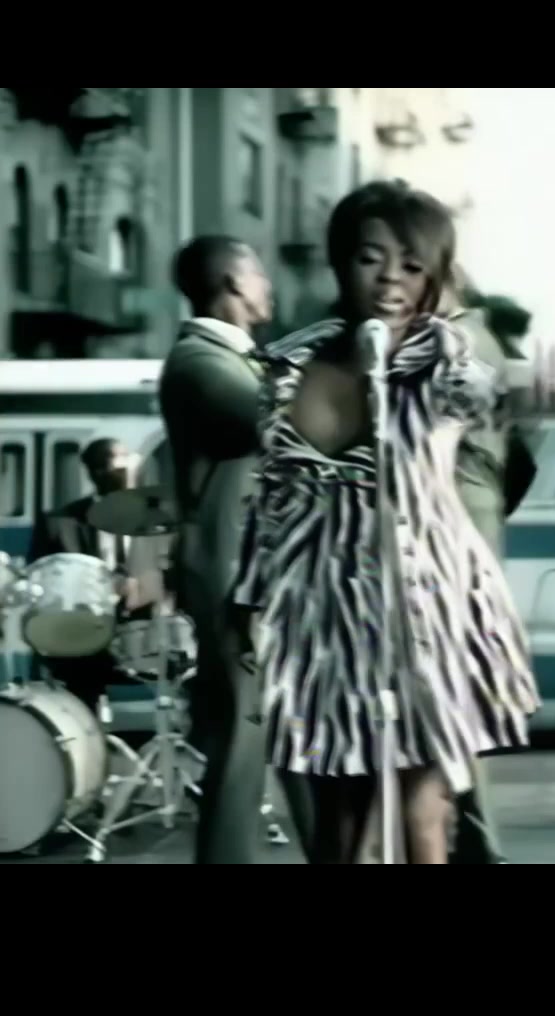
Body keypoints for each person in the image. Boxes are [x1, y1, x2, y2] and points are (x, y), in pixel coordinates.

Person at [231, 181, 540, 864]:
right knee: (337, 823)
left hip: (424, 606)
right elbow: (270, 496)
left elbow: (467, 422)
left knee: (423, 813)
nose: (391, 279)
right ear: (342, 262)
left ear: (434, 276)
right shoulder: (288, 364)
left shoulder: (449, 360)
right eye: (371, 258)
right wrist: (247, 595)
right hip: (319, 609)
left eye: (412, 264)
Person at [157, 235, 311, 864]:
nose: (268, 286)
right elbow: (270, 419)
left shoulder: (238, 358)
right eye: (259, 275)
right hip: (230, 575)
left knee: (293, 729)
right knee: (243, 736)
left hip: (260, 569)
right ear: (234, 283)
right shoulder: (198, 360)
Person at [443, 268, 540, 864]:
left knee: (446, 685)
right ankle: (470, 834)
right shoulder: (491, 344)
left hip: (451, 523)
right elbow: (526, 449)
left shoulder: (456, 341)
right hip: (475, 517)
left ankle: (470, 837)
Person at [27, 438, 144, 708]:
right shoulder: (59, 523)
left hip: (142, 631)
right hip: (84, 638)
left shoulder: (155, 516)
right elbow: (39, 583)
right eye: (120, 461)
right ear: (96, 472)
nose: (129, 467)